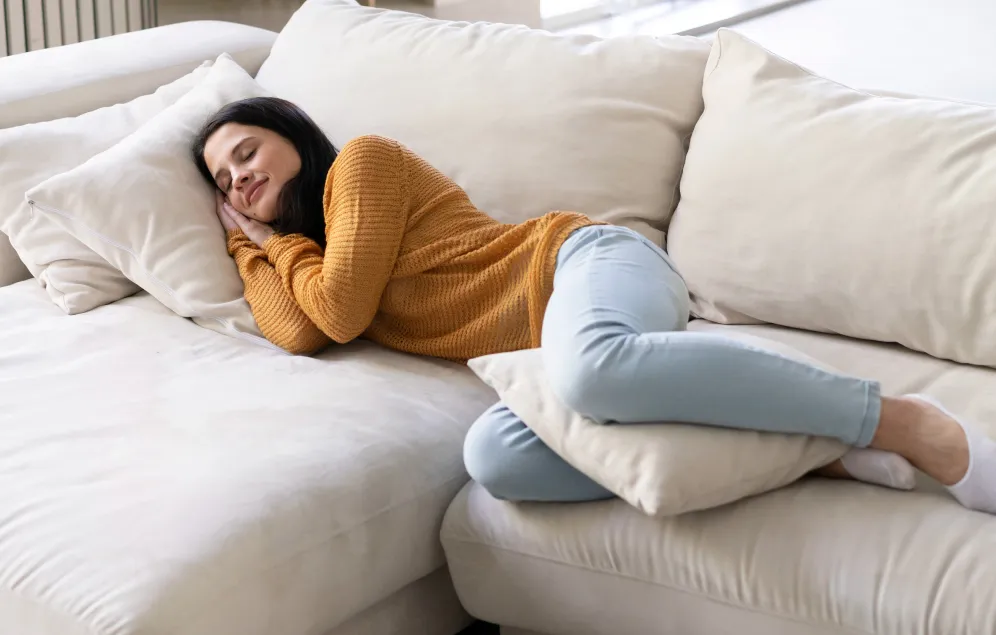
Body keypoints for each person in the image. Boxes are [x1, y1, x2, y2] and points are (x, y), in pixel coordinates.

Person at [193, 96, 996, 515]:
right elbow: (300, 329)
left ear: (291, 131)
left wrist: (269, 243)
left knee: (595, 371)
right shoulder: (310, 253)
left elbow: (332, 313)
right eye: (225, 184)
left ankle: (908, 423)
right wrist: (248, 242)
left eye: (247, 152)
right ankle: (813, 451)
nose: (241, 179)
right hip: (551, 360)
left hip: (585, 264)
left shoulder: (359, 166)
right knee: (498, 461)